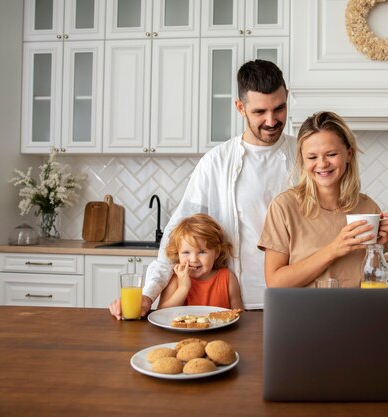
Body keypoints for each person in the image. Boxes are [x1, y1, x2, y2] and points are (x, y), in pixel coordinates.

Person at [109, 59, 296, 319]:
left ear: (287, 97)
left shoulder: (305, 155)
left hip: (294, 298)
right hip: (235, 303)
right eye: (259, 112)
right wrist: (148, 293)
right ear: (240, 107)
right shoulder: (216, 162)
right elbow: (177, 234)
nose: (272, 120)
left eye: (279, 108)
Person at [258, 111, 388, 288]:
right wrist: (334, 249)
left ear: (349, 154)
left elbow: (372, 279)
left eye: (331, 154)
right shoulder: (284, 207)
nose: (322, 164)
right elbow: (275, 283)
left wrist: (379, 246)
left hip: (357, 313)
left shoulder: (368, 208)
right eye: (312, 157)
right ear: (303, 160)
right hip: (304, 314)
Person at [157, 214, 243, 310]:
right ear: (178, 253)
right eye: (186, 252)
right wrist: (183, 288)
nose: (193, 259)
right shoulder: (175, 279)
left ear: (216, 253)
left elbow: (239, 314)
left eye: (202, 252)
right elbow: (161, 312)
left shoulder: (228, 278)